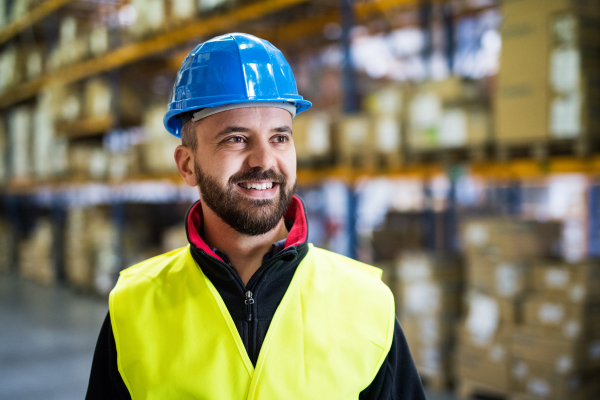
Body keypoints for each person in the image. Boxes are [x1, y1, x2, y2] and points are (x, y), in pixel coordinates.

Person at [86, 32, 426, 399]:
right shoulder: (132, 310)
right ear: (187, 165)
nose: (264, 160)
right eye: (236, 138)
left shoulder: (367, 303)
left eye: (280, 137)